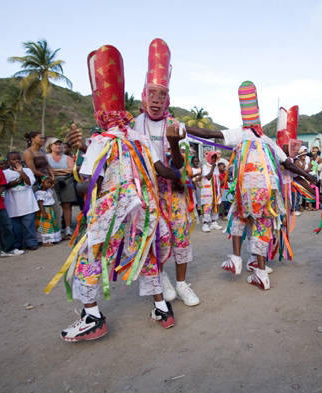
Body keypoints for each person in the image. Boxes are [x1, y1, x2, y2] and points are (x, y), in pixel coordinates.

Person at [56, 44, 187, 341]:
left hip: (111, 217)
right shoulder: (139, 136)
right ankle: (161, 308)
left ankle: (92, 317)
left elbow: (87, 185)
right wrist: (178, 176)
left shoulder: (101, 140)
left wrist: (79, 161)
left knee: (89, 259)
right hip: (143, 212)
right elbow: (161, 169)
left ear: (100, 110)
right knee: (147, 254)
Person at [186, 81, 317, 289]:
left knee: (238, 216)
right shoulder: (267, 140)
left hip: (247, 189)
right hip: (268, 191)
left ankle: (237, 258)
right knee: (262, 226)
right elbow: (287, 163)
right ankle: (261, 273)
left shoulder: (241, 134)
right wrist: (309, 178)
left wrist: (184, 128)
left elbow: (212, 134)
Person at [132, 38, 201, 307]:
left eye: (162, 94)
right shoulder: (134, 125)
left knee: (180, 236)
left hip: (174, 192)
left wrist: (174, 146)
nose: (157, 100)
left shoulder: (177, 125)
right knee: (154, 238)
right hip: (147, 194)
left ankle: (182, 283)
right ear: (143, 96)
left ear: (168, 98)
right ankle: (161, 278)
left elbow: (181, 167)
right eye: (152, 93)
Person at [3, 152, 39, 250]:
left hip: (28, 204)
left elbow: (29, 183)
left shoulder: (27, 170)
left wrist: (21, 172)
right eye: (13, 159)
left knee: (29, 226)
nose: (16, 161)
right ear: (8, 161)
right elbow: (4, 186)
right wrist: (15, 182)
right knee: (15, 228)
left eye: (18, 158)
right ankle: (17, 244)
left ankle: (31, 242)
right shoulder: (5, 173)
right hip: (12, 205)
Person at [45, 137, 76, 239]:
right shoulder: (46, 157)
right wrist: (62, 170)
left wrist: (55, 171)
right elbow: (47, 170)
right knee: (53, 205)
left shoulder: (67, 158)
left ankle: (67, 227)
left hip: (67, 181)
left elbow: (71, 170)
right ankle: (56, 227)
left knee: (67, 205)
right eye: (55, 144)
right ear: (50, 146)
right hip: (52, 182)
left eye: (60, 144)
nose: (58, 146)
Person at [34, 176, 61, 246]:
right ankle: (45, 241)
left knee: (51, 224)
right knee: (45, 225)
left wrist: (52, 181)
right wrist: (43, 212)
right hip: (45, 210)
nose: (50, 184)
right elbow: (40, 203)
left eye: (50, 183)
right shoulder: (40, 193)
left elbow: (54, 184)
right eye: (48, 183)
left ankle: (52, 239)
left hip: (50, 210)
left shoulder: (49, 191)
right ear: (42, 183)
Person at [200, 151, 222, 232]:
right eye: (212, 157)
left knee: (215, 205)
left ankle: (214, 222)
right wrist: (212, 167)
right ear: (209, 157)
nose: (214, 159)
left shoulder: (216, 167)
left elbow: (217, 178)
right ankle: (205, 224)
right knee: (207, 206)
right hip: (208, 191)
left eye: (215, 158)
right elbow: (209, 177)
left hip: (216, 191)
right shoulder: (205, 166)